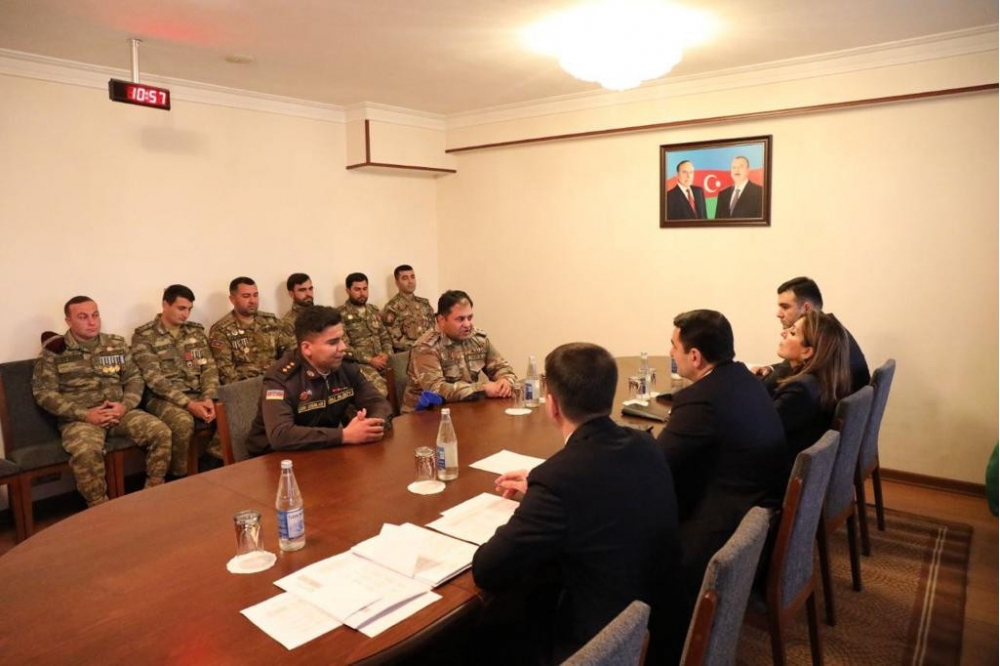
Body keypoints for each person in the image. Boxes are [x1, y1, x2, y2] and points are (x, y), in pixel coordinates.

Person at [472, 343, 686, 663]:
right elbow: (602, 487)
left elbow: (488, 570)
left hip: (603, 645)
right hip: (664, 627)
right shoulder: (645, 443)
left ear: (552, 405)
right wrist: (540, 485)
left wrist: (544, 491)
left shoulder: (558, 481)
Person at [656, 309, 786, 602]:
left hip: (726, 529)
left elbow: (658, 465)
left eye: (674, 346)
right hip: (759, 512)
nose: (670, 353)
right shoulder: (746, 379)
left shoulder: (700, 399)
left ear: (695, 356)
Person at [31, 296, 171, 507]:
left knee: (161, 432)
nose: (92, 322)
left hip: (119, 412)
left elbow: (134, 378)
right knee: (86, 452)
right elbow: (44, 393)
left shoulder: (115, 344)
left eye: (95, 315)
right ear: (68, 321)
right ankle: (99, 507)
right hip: (80, 419)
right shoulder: (54, 351)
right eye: (83, 317)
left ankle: (154, 490)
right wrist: (85, 414)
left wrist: (124, 405)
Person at [245, 306, 392, 456]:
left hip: (323, 449)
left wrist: (372, 424)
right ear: (307, 348)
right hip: (275, 457)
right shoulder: (280, 379)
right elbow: (281, 435)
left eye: (342, 339)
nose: (343, 347)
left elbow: (377, 402)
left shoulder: (345, 366)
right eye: (333, 342)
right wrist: (344, 435)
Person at [131, 285, 219, 477]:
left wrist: (208, 398)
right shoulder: (144, 336)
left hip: (198, 393)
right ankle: (179, 476)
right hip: (163, 398)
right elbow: (155, 379)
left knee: (230, 408)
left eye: (189, 309)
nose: (186, 314)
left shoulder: (195, 332)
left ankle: (212, 462)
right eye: (181, 308)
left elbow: (209, 368)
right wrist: (189, 404)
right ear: (165, 304)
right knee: (182, 422)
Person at [402, 290, 517, 413]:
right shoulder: (425, 347)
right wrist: (482, 388)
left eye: (469, 317)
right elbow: (436, 389)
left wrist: (505, 381)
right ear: (441, 320)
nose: (467, 324)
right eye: (460, 319)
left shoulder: (477, 339)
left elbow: (502, 368)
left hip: (464, 409)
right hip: (424, 415)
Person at [754, 276, 870, 392]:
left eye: (785, 307)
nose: (778, 314)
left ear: (807, 308)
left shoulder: (820, 340)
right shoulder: (831, 330)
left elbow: (763, 388)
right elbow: (786, 368)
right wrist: (770, 368)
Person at [772, 311, 852, 464]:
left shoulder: (800, 390)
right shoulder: (823, 380)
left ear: (807, 351)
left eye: (793, 333)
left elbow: (760, 432)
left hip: (779, 469)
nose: (783, 333)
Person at [209, 276, 290, 384]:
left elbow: (289, 353)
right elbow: (226, 372)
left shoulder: (271, 322)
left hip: (278, 382)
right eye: (246, 296)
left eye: (255, 295)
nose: (252, 301)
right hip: (245, 388)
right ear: (232, 299)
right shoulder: (221, 330)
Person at [336, 272, 394, 397]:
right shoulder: (340, 314)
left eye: (365, 289)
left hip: (383, 360)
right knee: (381, 392)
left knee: (407, 382)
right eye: (357, 289)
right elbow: (344, 347)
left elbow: (385, 336)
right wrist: (370, 360)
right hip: (360, 363)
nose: (362, 293)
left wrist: (386, 354)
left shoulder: (373, 310)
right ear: (348, 291)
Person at [382, 264, 435, 352]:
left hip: (429, 350)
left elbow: (434, 329)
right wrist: (418, 345)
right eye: (405, 278)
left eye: (412, 277)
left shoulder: (424, 303)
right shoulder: (392, 307)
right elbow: (395, 339)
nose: (410, 281)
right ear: (397, 282)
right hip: (408, 353)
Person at [278, 272, 314, 350]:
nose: (308, 294)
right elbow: (293, 352)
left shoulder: (322, 314)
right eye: (302, 290)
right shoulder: (288, 323)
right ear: (291, 294)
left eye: (310, 289)